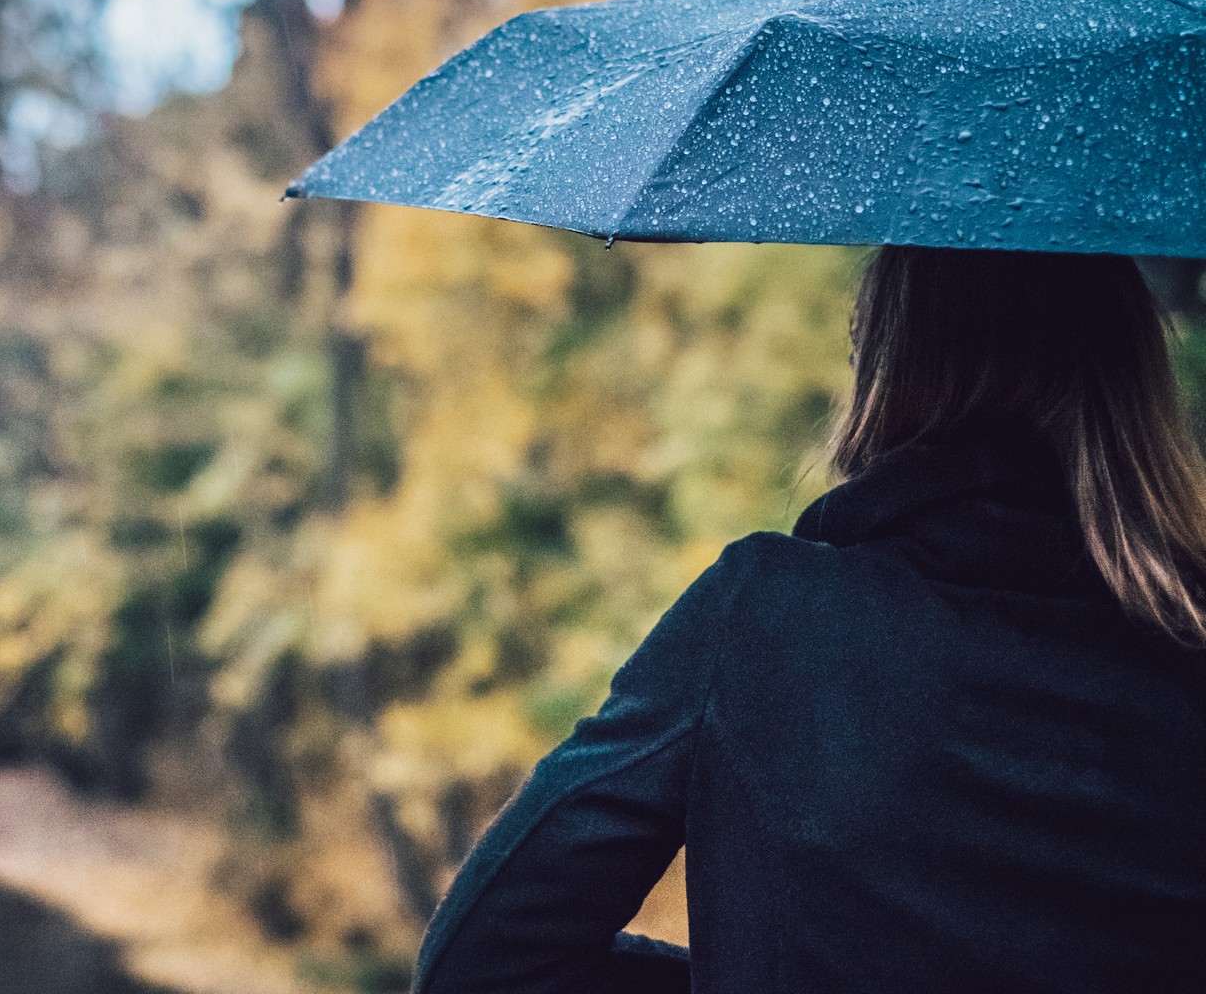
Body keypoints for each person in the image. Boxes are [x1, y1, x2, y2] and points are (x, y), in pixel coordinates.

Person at [414, 246, 1206, 994]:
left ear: (886, 367)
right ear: (1131, 375)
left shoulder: (768, 621)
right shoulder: (1186, 648)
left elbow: (484, 960)